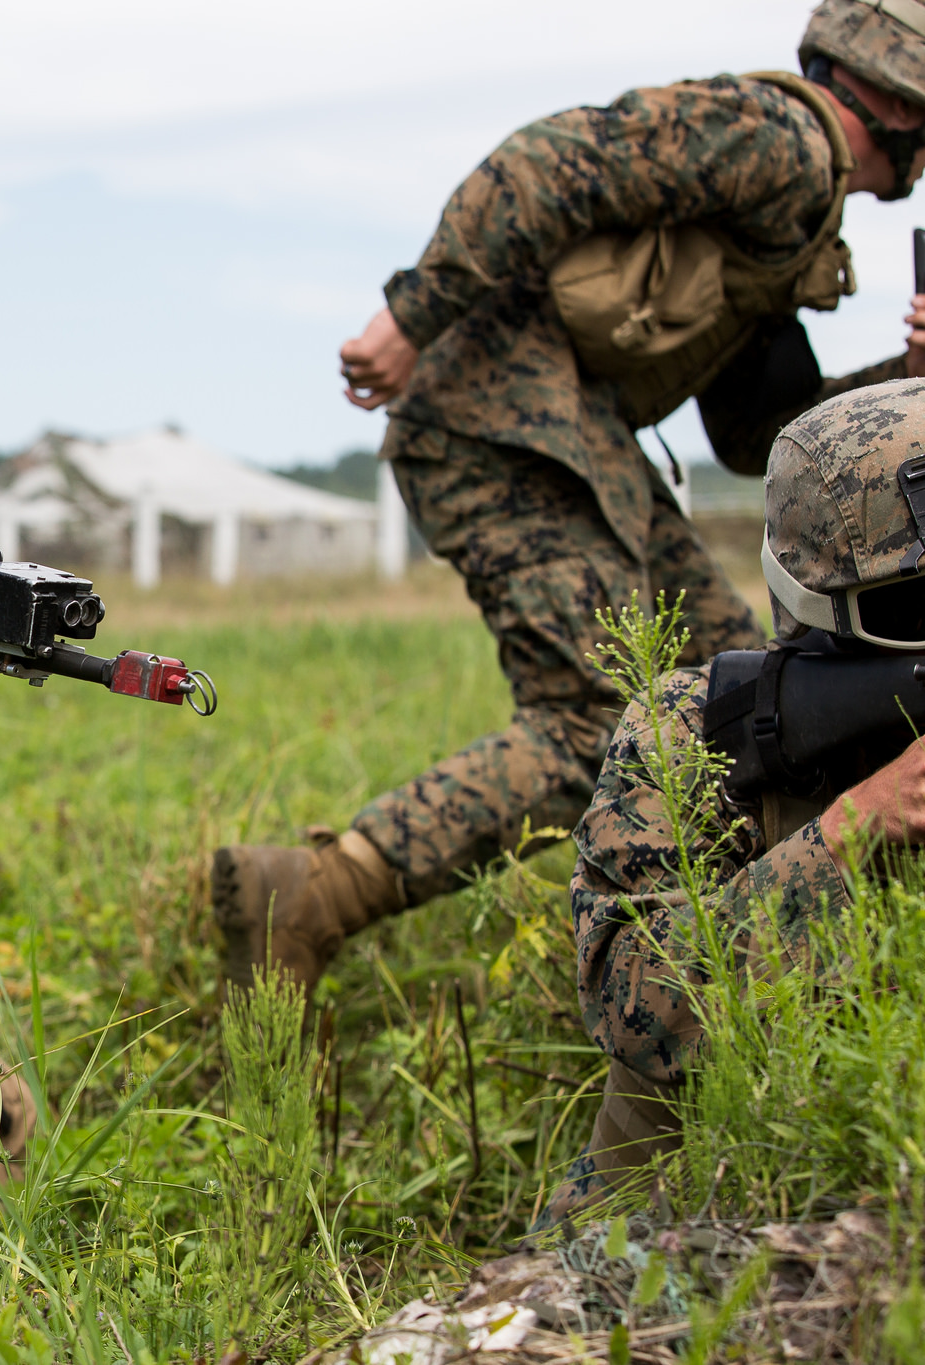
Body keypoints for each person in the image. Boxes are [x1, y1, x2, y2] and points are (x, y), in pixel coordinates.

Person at [214, 0, 925, 992]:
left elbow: (764, 437)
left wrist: (908, 368)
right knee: (598, 717)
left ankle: (733, 962)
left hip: (573, 443)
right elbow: (542, 162)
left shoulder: (793, 216)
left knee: (746, 692)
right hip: (494, 427)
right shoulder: (779, 141)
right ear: (898, 97)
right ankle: (312, 895)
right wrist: (408, 317)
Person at [554, 377, 925, 1217]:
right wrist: (859, 828)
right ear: (814, 597)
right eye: (914, 604)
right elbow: (634, 1002)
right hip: (678, 1214)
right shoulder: (694, 735)